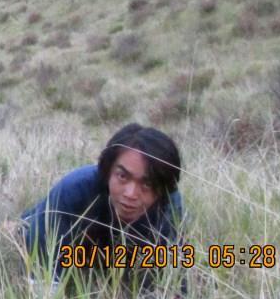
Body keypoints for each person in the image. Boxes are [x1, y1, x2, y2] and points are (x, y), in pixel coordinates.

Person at [20, 123, 184, 290]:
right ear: (107, 171)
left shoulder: (170, 210)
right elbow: (42, 283)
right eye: (122, 176)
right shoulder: (76, 189)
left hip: (110, 255)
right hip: (68, 244)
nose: (131, 193)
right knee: (19, 230)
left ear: (163, 189)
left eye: (147, 183)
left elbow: (173, 283)